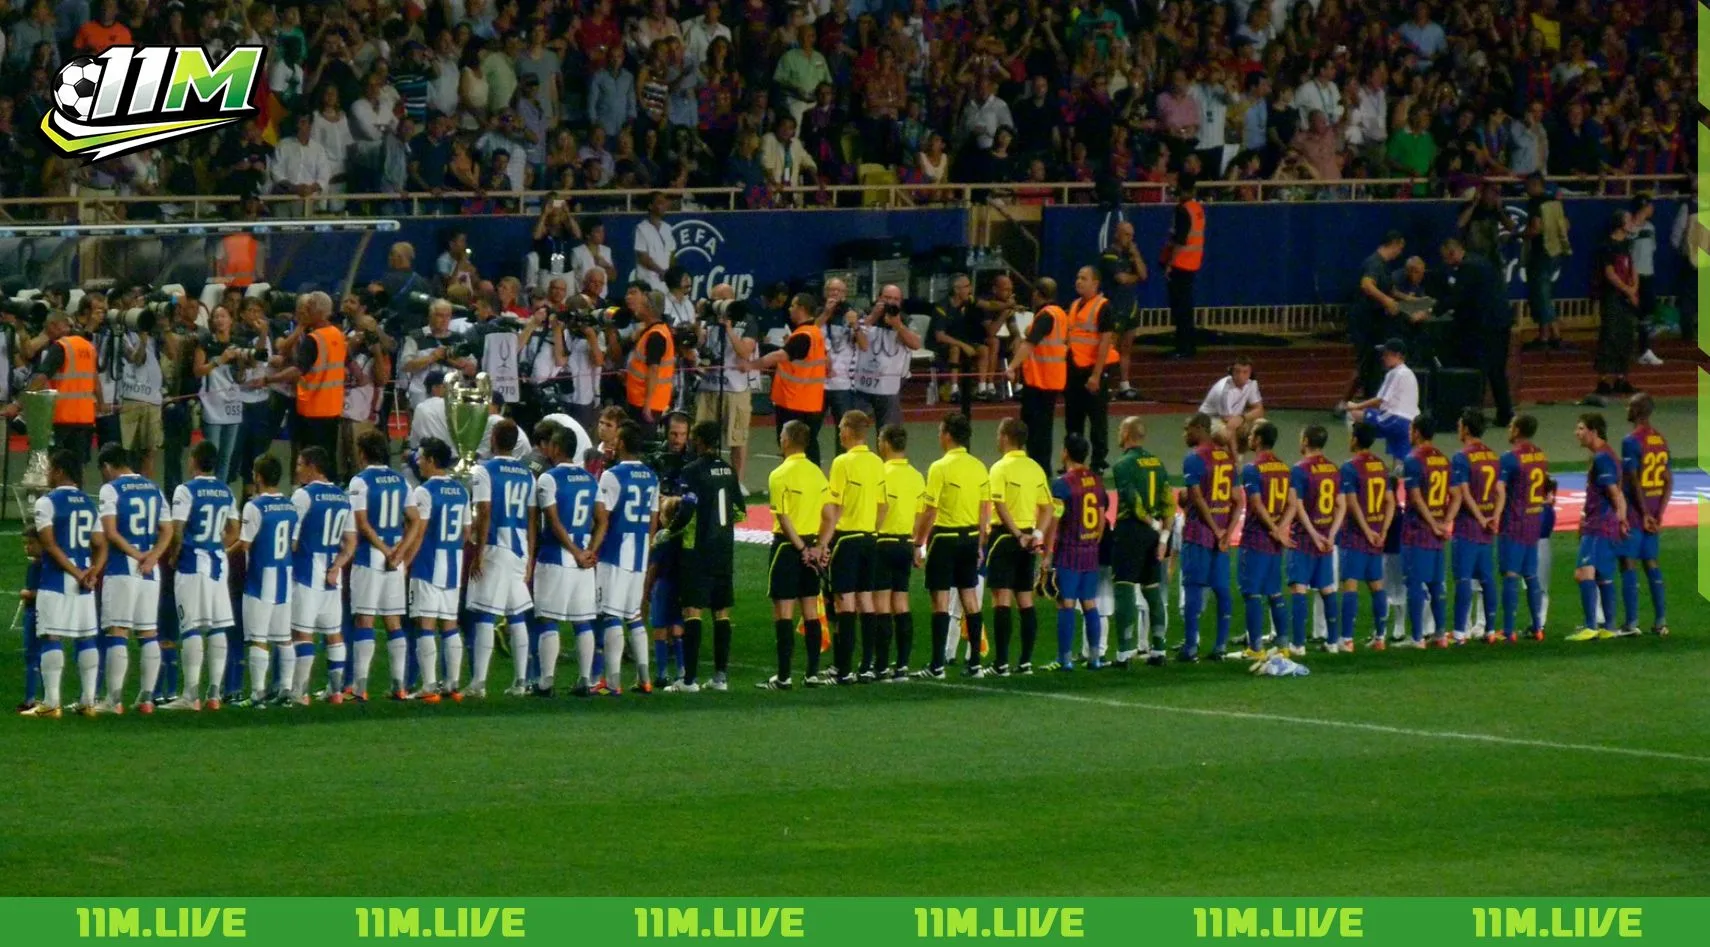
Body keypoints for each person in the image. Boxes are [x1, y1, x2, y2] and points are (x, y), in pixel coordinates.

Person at [21, 450, 107, 717]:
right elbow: (100, 544)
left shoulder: (47, 503)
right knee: (86, 638)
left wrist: (76, 572)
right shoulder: (87, 502)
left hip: (56, 581)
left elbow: (48, 544)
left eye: (50, 470)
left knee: (51, 636)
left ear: (58, 471)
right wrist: (93, 571)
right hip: (84, 583)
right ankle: (88, 702)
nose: (47, 474)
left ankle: (51, 703)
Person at [665, 420, 744, 692]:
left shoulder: (691, 471)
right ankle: (720, 677)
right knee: (721, 613)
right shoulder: (729, 470)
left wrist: (669, 531)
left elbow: (687, 510)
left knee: (692, 611)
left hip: (698, 551)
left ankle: (689, 680)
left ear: (698, 440)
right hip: (724, 549)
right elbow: (741, 512)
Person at [913, 412, 990, 679]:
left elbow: (930, 510)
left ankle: (937, 665)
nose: (938, 436)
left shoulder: (939, 467)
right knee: (970, 597)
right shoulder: (979, 467)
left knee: (940, 600)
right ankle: (976, 664)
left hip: (944, 538)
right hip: (970, 538)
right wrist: (981, 542)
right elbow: (984, 509)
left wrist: (918, 542)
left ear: (947, 435)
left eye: (939, 431)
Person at [163, 440, 239, 711]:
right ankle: (215, 694)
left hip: (193, 565)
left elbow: (178, 529)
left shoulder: (186, 490)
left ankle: (190, 695)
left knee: (192, 626)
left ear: (194, 460)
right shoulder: (225, 490)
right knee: (218, 626)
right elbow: (234, 529)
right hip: (218, 564)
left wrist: (174, 554)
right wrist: (219, 545)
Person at [96, 443, 170, 714]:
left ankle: (114, 700)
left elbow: (111, 532)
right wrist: (153, 556)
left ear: (107, 466)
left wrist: (136, 555)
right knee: (148, 632)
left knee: (118, 631)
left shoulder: (110, 489)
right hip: (152, 569)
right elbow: (167, 529)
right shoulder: (153, 488)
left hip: (123, 568)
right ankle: (148, 698)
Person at [589, 423, 661, 694]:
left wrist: (593, 546)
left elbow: (602, 518)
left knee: (611, 615)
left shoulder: (611, 476)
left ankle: (613, 681)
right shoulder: (652, 477)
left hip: (615, 553)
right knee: (634, 616)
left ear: (621, 443)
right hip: (640, 553)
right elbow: (654, 520)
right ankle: (644, 679)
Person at [465, 420, 535, 699]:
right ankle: (521, 681)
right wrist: (529, 555)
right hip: (519, 548)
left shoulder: (484, 471)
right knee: (516, 615)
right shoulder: (527, 474)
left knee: (485, 614)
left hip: (495, 547)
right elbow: (532, 517)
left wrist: (478, 553)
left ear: (494, 439)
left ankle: (479, 683)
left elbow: (484, 512)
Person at [817, 410, 886, 685]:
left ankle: (843, 669)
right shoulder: (878, 463)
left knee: (844, 601)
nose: (839, 433)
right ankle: (866, 665)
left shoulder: (842, 463)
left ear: (847, 430)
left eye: (841, 428)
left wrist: (823, 543)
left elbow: (835, 506)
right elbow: (883, 505)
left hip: (846, 540)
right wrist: (873, 530)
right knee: (866, 600)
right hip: (870, 538)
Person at [531, 428, 600, 696]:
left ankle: (546, 681)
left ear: (557, 448)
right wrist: (589, 551)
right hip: (583, 561)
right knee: (582, 621)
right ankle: (585, 679)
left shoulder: (549, 478)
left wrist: (573, 550)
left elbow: (553, 520)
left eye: (549, 445)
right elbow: (601, 520)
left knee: (549, 619)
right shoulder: (590, 479)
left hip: (556, 558)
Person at [759, 419, 827, 691]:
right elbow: (828, 513)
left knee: (784, 612)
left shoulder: (779, 474)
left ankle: (784, 676)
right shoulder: (817, 473)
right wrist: (818, 546)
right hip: (812, 544)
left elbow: (783, 518)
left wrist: (799, 548)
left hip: (788, 548)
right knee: (810, 610)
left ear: (785, 441)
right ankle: (811, 673)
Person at [283, 446, 353, 703]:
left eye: (300, 464)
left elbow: (291, 540)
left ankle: (300, 692)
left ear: (313, 467)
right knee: (334, 633)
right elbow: (351, 541)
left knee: (302, 634)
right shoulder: (343, 497)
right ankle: (335, 691)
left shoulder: (303, 496)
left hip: (306, 574)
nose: (297, 469)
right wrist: (338, 566)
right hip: (333, 576)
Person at [403, 438, 470, 702]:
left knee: (426, 625)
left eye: (420, 457)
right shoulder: (461, 490)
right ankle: (452, 684)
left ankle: (429, 685)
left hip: (428, 565)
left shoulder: (424, 492)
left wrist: (406, 562)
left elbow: (418, 532)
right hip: (453, 565)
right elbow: (466, 532)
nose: (417, 462)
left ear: (431, 460)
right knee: (450, 625)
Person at [983, 418, 1052, 677]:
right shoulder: (1035, 468)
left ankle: (1001, 663)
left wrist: (1015, 534)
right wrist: (1036, 533)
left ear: (1005, 437)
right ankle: (1024, 662)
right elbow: (1046, 507)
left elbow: (999, 505)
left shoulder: (999, 468)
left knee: (1001, 598)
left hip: (1004, 536)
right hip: (1028, 536)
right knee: (1024, 598)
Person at [347, 429, 409, 700]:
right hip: (396, 560)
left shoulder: (360, 482)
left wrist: (383, 550)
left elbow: (361, 522)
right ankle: (399, 684)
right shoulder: (401, 481)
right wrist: (399, 551)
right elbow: (416, 519)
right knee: (393, 621)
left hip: (370, 558)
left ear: (362, 453)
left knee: (365, 619)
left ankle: (360, 686)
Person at [231, 454, 298, 707]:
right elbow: (293, 542)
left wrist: (224, 554)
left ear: (257, 476)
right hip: (284, 576)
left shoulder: (254, 506)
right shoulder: (290, 505)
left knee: (258, 637)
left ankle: (258, 693)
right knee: (283, 637)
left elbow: (245, 543)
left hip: (260, 579)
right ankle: (286, 691)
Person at [1109, 417, 1172, 664]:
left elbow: (1133, 501)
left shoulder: (1123, 465)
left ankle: (1124, 652)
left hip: (1131, 531)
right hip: (1154, 536)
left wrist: (1150, 522)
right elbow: (1168, 501)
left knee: (1124, 588)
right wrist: (1163, 535)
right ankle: (1159, 649)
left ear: (1126, 433)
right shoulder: (1157, 463)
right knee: (1152, 590)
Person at [1042, 433, 1103, 670]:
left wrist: (1047, 554)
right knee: (1089, 603)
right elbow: (1099, 521)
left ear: (1066, 452)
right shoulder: (1097, 481)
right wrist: (1092, 543)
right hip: (1090, 551)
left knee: (1065, 603)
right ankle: (1094, 657)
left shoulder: (1062, 484)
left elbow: (1055, 521)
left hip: (1068, 551)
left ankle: (1065, 659)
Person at [1178, 413, 1236, 661]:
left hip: (1200, 533)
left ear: (1199, 428)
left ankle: (1191, 647)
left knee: (1193, 588)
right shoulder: (1226, 458)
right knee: (1222, 589)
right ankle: (1220, 646)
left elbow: (1197, 497)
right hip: (1221, 536)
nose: (1184, 434)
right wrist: (1227, 532)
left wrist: (1214, 528)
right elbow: (1238, 500)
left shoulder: (1194, 458)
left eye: (1187, 428)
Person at [1565, 414, 1627, 642]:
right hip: (1603, 523)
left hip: (1599, 524)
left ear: (1593, 431)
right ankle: (1608, 626)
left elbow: (1614, 492)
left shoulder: (1602, 458)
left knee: (1583, 573)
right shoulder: (1607, 455)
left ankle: (1591, 626)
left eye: (1581, 428)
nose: (1577, 433)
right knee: (1603, 575)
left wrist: (1620, 518)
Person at [1439, 238, 1514, 425]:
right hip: (1501, 323)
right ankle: (1505, 414)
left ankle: (1475, 416)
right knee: (1497, 371)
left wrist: (1433, 309)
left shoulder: (1468, 267)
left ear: (1452, 253)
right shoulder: (1481, 261)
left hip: (1487, 327)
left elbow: (1458, 297)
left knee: (1479, 370)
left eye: (1445, 258)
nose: (1445, 263)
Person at [1237, 421, 1295, 657]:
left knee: (1252, 593)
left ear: (1259, 439)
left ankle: (1255, 648)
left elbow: (1256, 503)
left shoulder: (1252, 469)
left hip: (1256, 538)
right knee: (1274, 592)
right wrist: (1281, 529)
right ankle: (1282, 646)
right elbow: (1292, 504)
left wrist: (1272, 528)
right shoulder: (1283, 467)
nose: (1249, 437)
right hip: (1274, 543)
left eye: (1252, 434)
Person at [693, 283, 759, 491]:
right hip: (709, 387)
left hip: (736, 388)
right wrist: (697, 322)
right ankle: (703, 476)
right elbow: (698, 348)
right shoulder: (708, 320)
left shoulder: (747, 320)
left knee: (737, 438)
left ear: (730, 300)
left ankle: (736, 482)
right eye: (713, 300)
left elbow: (744, 352)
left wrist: (728, 328)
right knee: (702, 436)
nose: (715, 305)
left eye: (720, 300)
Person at [644, 413, 693, 687]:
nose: (677, 440)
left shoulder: (691, 461)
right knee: (675, 618)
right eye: (673, 434)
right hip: (663, 525)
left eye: (682, 434)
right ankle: (680, 667)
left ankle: (663, 671)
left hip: (674, 536)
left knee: (664, 620)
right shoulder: (656, 459)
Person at [1285, 424, 1343, 653]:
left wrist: (1314, 535)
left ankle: (1298, 645)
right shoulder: (1333, 468)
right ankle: (1333, 642)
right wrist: (1330, 535)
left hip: (1304, 539)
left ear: (1306, 441)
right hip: (1326, 540)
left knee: (1299, 589)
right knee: (1327, 589)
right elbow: (1341, 505)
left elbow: (1296, 507)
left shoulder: (1299, 470)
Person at [269, 291, 345, 464]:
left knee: (310, 462)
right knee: (328, 460)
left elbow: (297, 370)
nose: (305, 313)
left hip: (313, 410)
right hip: (333, 409)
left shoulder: (313, 339)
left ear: (319, 312)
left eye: (309, 308)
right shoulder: (337, 334)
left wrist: (268, 380)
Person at [1616, 393, 1670, 636]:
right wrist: (1659, 513)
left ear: (1638, 411)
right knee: (1651, 562)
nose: (1626, 408)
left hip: (1637, 512)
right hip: (1654, 511)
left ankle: (1631, 622)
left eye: (1630, 405)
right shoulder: (1660, 439)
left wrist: (1644, 513)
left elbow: (1633, 479)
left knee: (1628, 561)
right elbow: (1669, 480)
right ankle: (1660, 622)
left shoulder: (1631, 441)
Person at [874, 425, 924, 682]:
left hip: (882, 543)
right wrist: (917, 544)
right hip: (905, 543)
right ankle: (902, 666)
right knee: (901, 603)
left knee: (881, 604)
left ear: (884, 443)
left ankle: (881, 666)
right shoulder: (916, 476)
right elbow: (919, 514)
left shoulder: (880, 473)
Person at [1338, 422, 1394, 651]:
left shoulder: (1350, 468)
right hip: (1377, 536)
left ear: (1355, 438)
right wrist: (1382, 530)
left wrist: (1367, 531)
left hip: (1356, 536)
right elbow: (1391, 501)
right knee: (1376, 585)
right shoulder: (1381, 466)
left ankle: (1347, 640)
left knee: (1350, 585)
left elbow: (1351, 504)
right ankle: (1380, 637)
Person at [753, 293, 827, 466]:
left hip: (794, 402)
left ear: (801, 309)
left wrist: (752, 365)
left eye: (793, 305)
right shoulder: (815, 333)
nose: (789, 308)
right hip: (811, 402)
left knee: (792, 447)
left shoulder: (803, 335)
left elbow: (781, 355)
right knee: (809, 446)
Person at [1447, 409, 1500, 645]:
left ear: (1466, 429)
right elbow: (1500, 491)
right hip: (1488, 529)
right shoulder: (1492, 455)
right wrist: (1494, 517)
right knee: (1487, 579)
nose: (1458, 429)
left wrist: (1478, 517)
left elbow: (1464, 492)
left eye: (1459, 425)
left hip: (1468, 527)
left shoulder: (1461, 457)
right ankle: (1490, 630)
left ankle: (1460, 632)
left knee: (1464, 579)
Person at [1398, 417, 1450, 648]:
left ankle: (1417, 637)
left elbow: (1416, 498)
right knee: (1436, 584)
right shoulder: (1443, 458)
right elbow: (1453, 494)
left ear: (1417, 433)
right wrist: (1444, 523)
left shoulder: (1413, 460)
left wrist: (1432, 523)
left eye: (1410, 429)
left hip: (1417, 530)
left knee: (1415, 583)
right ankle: (1440, 634)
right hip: (1437, 531)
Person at [1497, 415, 1549, 642]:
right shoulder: (1540, 455)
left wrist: (1494, 517)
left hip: (1514, 522)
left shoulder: (1510, 458)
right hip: (1533, 521)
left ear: (1517, 430)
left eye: (1510, 425)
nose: (1508, 429)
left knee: (1510, 574)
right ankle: (1537, 627)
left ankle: (1509, 630)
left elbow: (1500, 490)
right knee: (1531, 575)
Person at [1008, 278, 1068, 473]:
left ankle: (1038, 469)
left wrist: (1012, 366)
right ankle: (1040, 468)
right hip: (1052, 379)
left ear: (1036, 294)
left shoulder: (1045, 316)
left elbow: (1029, 344)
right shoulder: (1059, 314)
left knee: (1036, 431)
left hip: (1040, 381)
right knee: (1044, 428)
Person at [30, 312, 99, 476]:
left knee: (56, 464)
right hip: (84, 417)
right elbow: (95, 379)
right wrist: (101, 403)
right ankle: (76, 498)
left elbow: (42, 376)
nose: (48, 335)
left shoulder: (60, 346)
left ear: (54, 325)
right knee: (77, 466)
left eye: (48, 330)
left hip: (62, 416)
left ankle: (56, 499)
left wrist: (23, 401)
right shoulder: (88, 346)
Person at [1063, 266, 1117, 472]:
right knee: (1073, 418)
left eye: (1084, 278)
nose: (1078, 281)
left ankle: (1098, 462)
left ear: (1095, 283)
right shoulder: (1075, 305)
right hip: (1075, 369)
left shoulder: (1103, 307)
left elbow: (1104, 342)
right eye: (1077, 277)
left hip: (1093, 371)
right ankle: (1073, 460)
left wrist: (1096, 374)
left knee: (1097, 419)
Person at [1346, 231, 1407, 403]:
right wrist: (1387, 301)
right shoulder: (1374, 263)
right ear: (1393, 244)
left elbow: (1390, 288)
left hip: (1374, 322)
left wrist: (1410, 299)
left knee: (1372, 362)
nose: (1400, 252)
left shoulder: (1383, 265)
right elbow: (1367, 285)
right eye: (1400, 248)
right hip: (1365, 322)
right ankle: (1344, 402)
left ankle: (1366, 398)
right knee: (1365, 362)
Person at [851, 283, 921, 432]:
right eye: (887, 298)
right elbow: (853, 337)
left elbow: (916, 344)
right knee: (854, 430)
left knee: (888, 433)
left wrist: (898, 326)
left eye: (895, 299)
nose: (891, 302)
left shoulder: (904, 319)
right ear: (878, 298)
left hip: (889, 386)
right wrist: (873, 317)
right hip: (863, 384)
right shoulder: (865, 314)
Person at [1345, 338, 1420, 461]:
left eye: (1386, 354)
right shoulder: (1409, 373)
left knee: (1352, 414)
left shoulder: (1395, 373)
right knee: (1402, 465)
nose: (1383, 358)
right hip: (1411, 424)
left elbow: (1380, 400)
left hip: (1395, 421)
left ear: (1397, 355)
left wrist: (1355, 406)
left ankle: (1359, 453)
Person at [1520, 173, 1571, 352]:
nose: (1525, 190)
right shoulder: (1554, 202)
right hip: (1554, 252)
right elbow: (1566, 224)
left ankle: (1554, 336)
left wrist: (1520, 235)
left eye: (1527, 186)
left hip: (1540, 252)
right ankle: (1545, 336)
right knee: (1545, 293)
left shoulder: (1535, 203)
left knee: (1541, 295)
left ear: (1535, 185)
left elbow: (1535, 228)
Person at [1099, 220, 1149, 400]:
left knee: (1126, 348)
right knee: (1109, 348)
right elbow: (1121, 278)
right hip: (1115, 306)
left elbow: (1144, 274)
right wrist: (1134, 276)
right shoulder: (1109, 255)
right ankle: (1103, 383)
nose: (1129, 239)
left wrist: (1136, 255)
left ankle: (1124, 385)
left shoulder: (1130, 255)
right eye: (1126, 234)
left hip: (1130, 306)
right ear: (1117, 234)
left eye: (1131, 235)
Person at [1592, 213, 1639, 396]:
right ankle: (1604, 380)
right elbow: (1610, 273)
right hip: (1612, 296)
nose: (1631, 223)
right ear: (1619, 224)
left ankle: (1622, 378)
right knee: (1610, 334)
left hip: (1627, 296)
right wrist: (1627, 290)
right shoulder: (1607, 246)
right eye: (1628, 220)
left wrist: (1634, 288)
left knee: (1627, 335)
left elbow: (1633, 268)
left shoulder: (1627, 244)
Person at [1161, 176, 1205, 359]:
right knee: (1185, 307)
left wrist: (1169, 264)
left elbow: (1180, 240)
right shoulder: (1197, 209)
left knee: (1180, 308)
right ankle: (1188, 346)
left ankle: (1183, 348)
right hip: (1192, 263)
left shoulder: (1182, 210)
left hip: (1181, 264)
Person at [623, 285, 676, 427]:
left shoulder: (656, 336)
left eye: (641, 305)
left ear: (649, 310)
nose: (637, 309)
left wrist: (647, 404)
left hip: (646, 404)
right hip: (641, 400)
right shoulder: (653, 331)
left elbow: (653, 370)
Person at [1198, 357, 1265, 457]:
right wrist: (1235, 458)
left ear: (1250, 373)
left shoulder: (1252, 384)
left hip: (1233, 417)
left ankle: (1254, 460)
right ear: (1231, 372)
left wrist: (1242, 418)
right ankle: (1228, 458)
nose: (1240, 376)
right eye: (1237, 372)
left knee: (1260, 426)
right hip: (1208, 420)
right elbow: (1230, 425)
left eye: (1245, 372)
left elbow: (1259, 410)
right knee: (1225, 434)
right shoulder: (1225, 391)